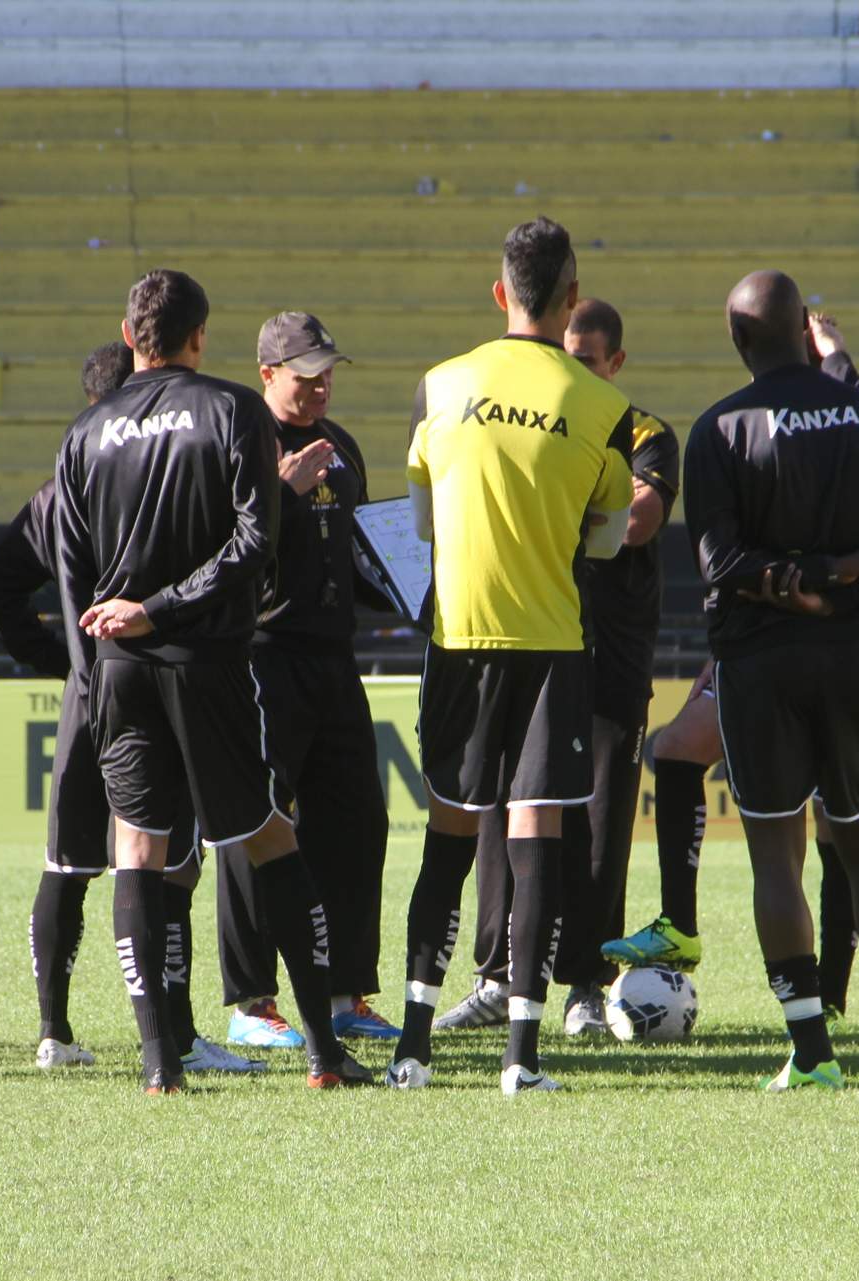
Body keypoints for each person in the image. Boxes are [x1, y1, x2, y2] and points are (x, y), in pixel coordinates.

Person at [52, 268, 368, 1093]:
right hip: (208, 664)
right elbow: (252, 546)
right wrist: (160, 610)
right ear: (200, 337)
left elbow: (74, 576)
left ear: (131, 337)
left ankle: (160, 1066)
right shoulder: (229, 410)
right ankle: (325, 1055)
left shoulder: (86, 432)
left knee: (138, 849)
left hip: (117, 672)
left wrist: (99, 668)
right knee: (268, 834)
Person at [387, 216, 635, 1094]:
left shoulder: (439, 385)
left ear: (500, 293)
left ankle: (413, 1050)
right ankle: (521, 1060)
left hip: (459, 640)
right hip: (552, 646)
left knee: (448, 842)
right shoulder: (606, 408)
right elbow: (604, 541)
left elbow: (420, 524)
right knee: (536, 842)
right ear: (571, 301)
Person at [681, 270, 859, 1090]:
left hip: (759, 663)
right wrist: (842, 592)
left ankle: (812, 1053)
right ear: (807, 332)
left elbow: (721, 563)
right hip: (856, 656)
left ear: (738, 342)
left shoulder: (718, 429)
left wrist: (804, 582)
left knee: (774, 859)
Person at [0, 345, 256, 1075]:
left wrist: (63, 659)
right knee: (167, 862)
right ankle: (179, 1036)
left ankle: (53, 1030)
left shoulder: (63, 486)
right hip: (159, 681)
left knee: (69, 860)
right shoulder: (166, 470)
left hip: (90, 689)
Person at [606, 310, 859, 1016]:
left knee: (834, 822)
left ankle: (835, 988)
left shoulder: (823, 420)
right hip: (766, 639)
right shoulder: (780, 419)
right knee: (676, 750)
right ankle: (681, 927)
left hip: (823, 645)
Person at [435, 298, 679, 1042]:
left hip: (610, 648)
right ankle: (497, 975)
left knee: (600, 817)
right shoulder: (534, 415)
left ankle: (582, 979)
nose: (567, 374)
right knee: (505, 803)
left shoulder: (644, 431)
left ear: (615, 365)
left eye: (585, 363)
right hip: (535, 634)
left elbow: (639, 517)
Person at [212, 312, 404, 1053]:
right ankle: (252, 1001)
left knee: (357, 821)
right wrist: (281, 494)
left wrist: (408, 583)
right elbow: (221, 555)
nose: (320, 385)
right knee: (256, 824)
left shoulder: (344, 447)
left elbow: (357, 556)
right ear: (267, 375)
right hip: (262, 656)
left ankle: (346, 990)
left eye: (328, 371)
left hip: (333, 658)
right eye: (304, 374)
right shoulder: (239, 442)